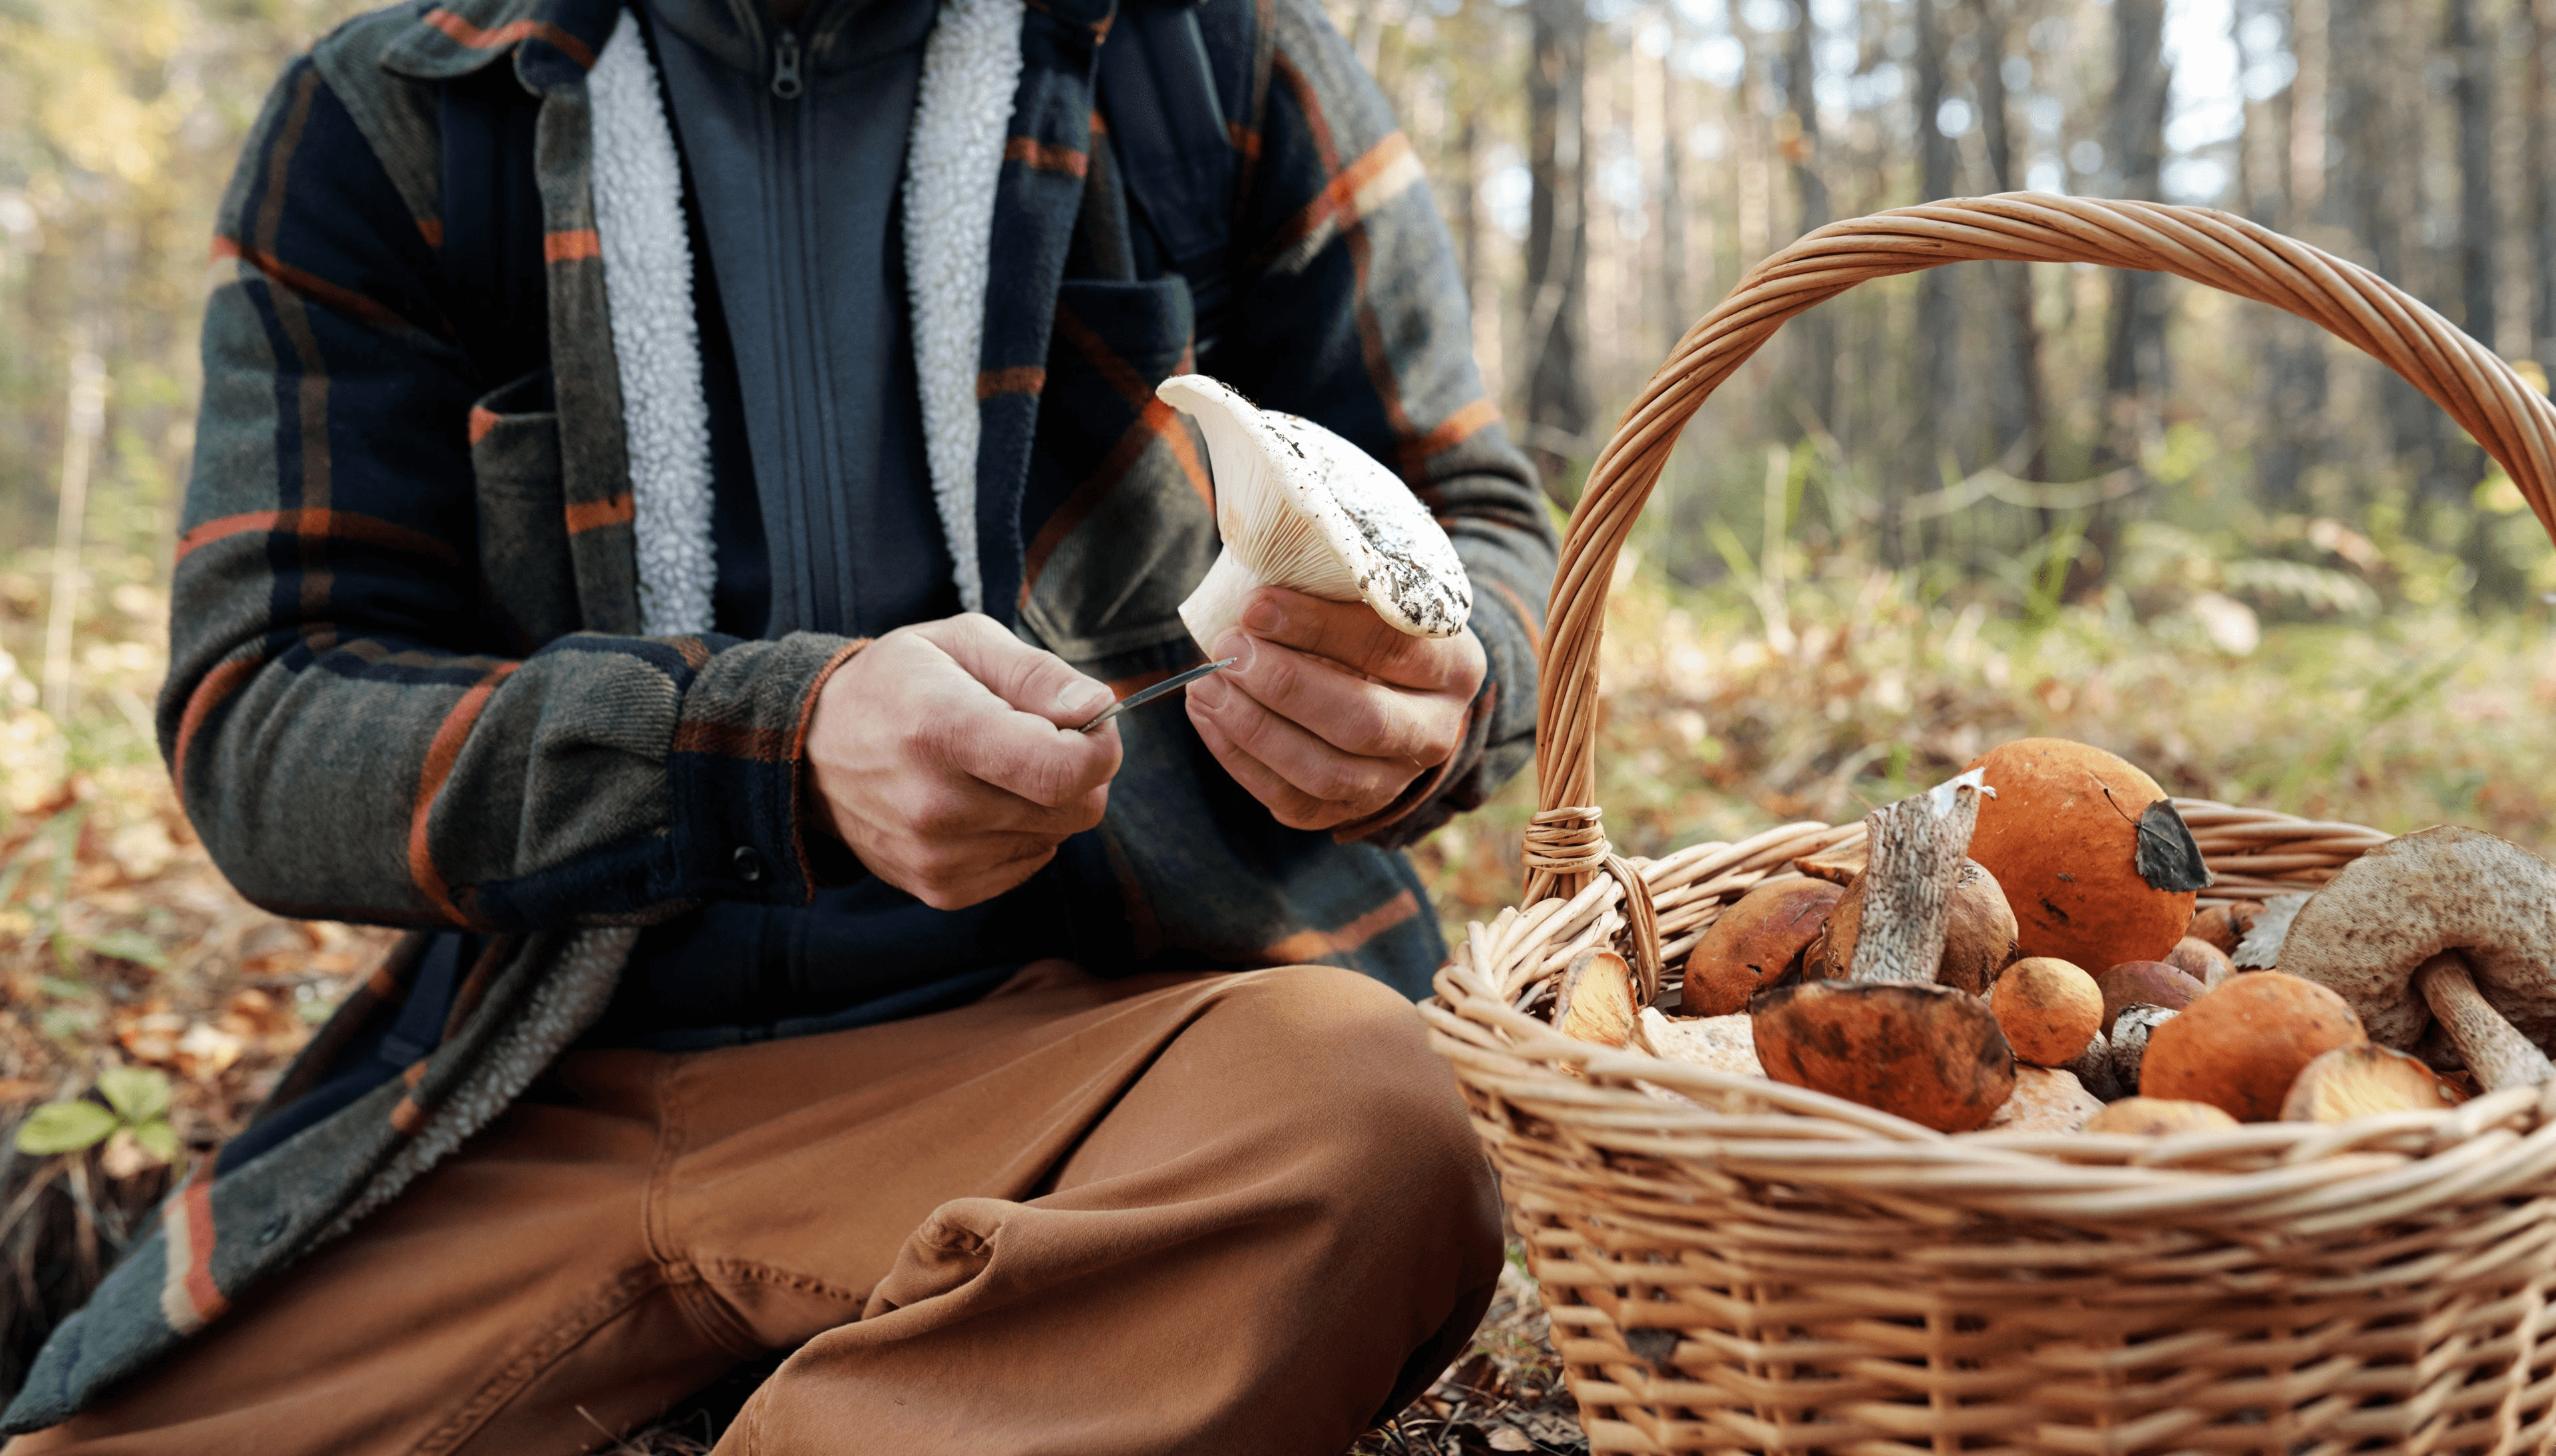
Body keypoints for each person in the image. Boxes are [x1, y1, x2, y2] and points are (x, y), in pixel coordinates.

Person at [1, 0, 1556, 1447]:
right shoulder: (392, 119)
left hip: (1103, 1060)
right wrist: (767, 747)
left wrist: (1448, 674)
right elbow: (263, 711)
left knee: (1375, 1122)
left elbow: (1482, 522)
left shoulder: (1209, 59)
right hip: (543, 1089)